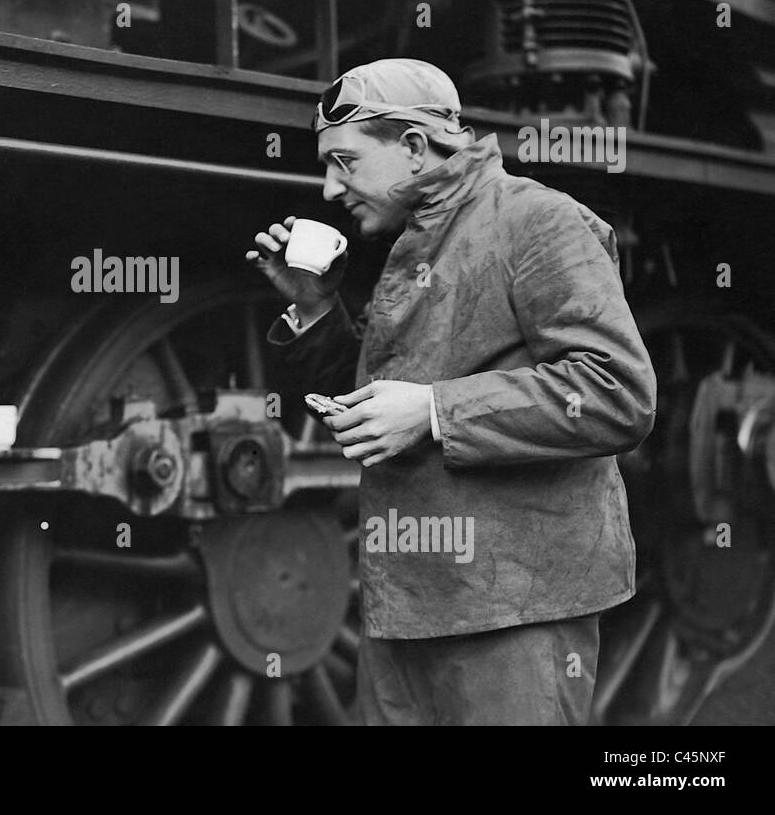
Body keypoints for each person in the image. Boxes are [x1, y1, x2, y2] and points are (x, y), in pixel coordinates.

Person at [247, 58, 656, 725]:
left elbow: (617, 391)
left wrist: (436, 411)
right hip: (408, 604)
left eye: (345, 161)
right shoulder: (418, 241)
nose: (328, 189)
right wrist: (317, 311)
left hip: (515, 611)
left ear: (413, 146)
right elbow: (385, 403)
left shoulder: (538, 221)